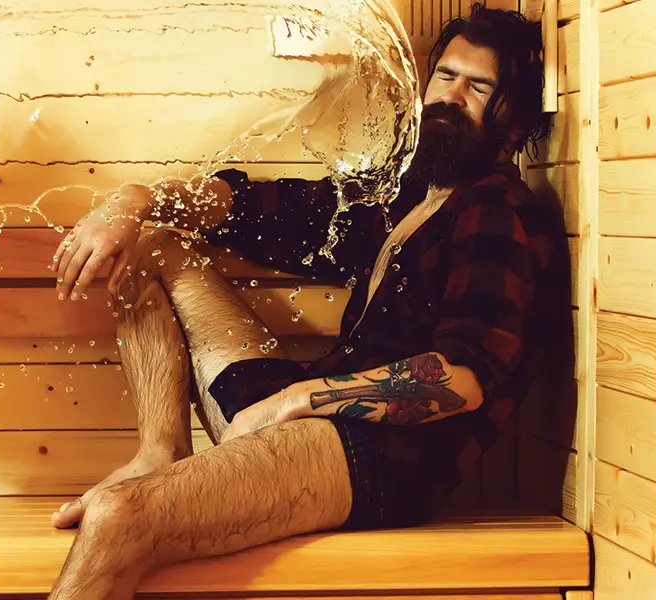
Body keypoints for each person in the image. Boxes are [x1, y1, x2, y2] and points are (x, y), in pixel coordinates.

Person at [46, 4, 570, 599]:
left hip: (374, 460)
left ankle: (149, 488)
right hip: (305, 421)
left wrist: (295, 401)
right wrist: (133, 199)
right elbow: (261, 209)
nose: (451, 98)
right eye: (445, 77)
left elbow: (460, 381)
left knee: (119, 517)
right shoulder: (407, 193)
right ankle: (157, 451)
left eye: (478, 87)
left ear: (512, 117)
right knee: (152, 245)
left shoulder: (499, 213)